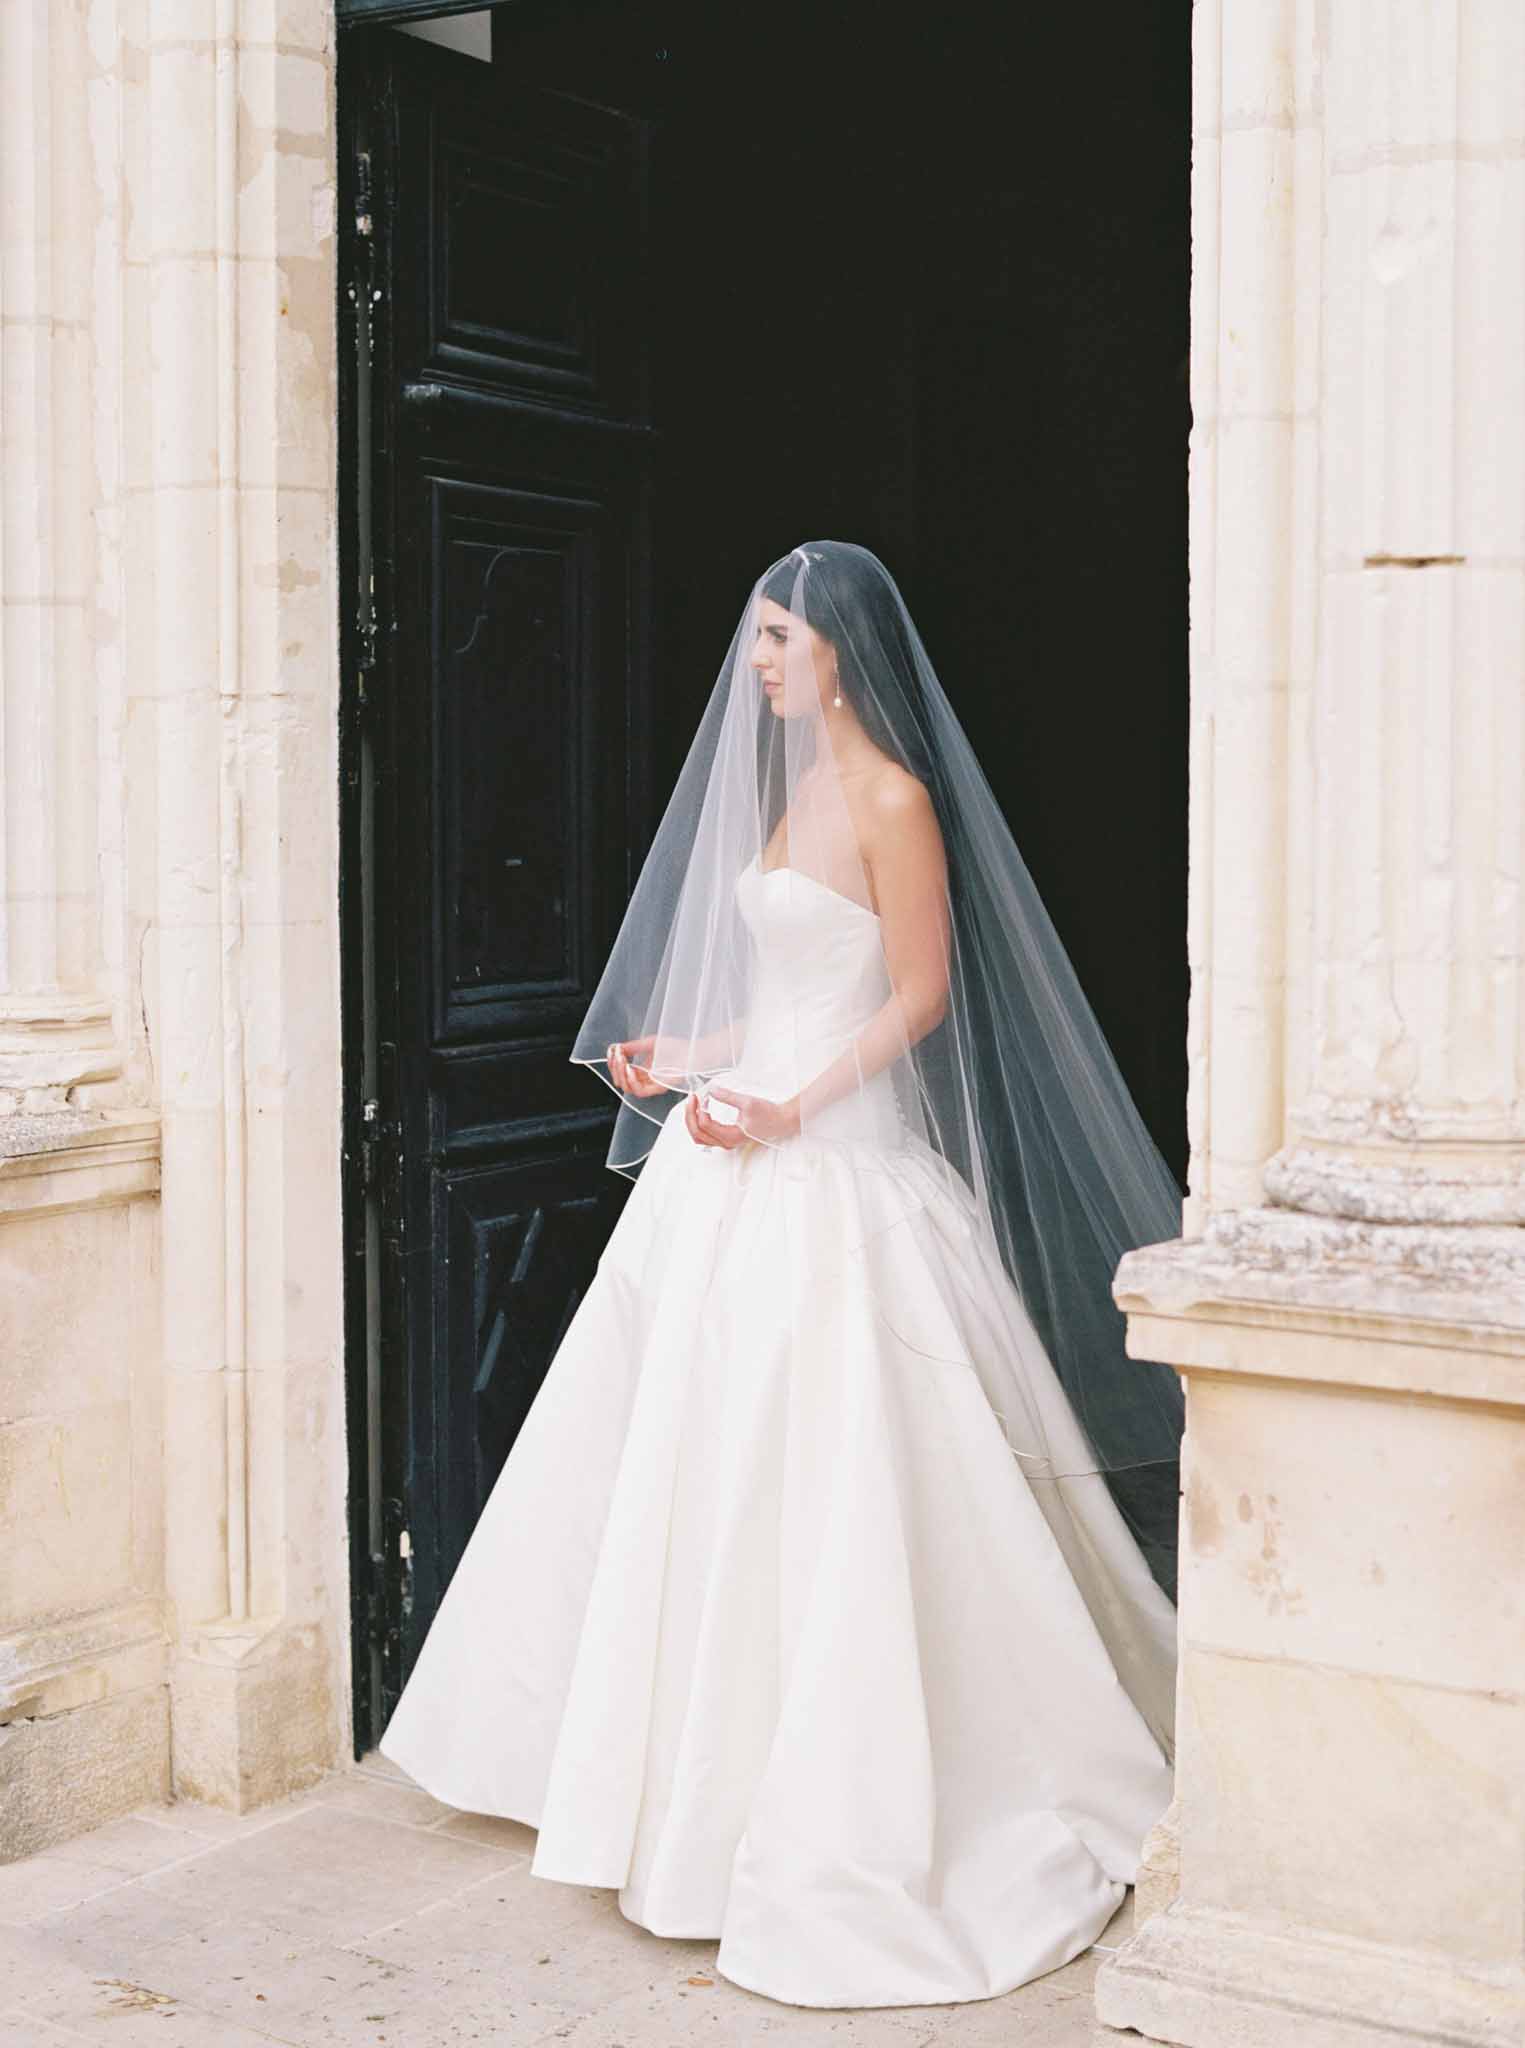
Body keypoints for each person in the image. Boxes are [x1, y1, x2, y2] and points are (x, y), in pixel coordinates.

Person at [379, 541, 1185, 2009]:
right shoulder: (788, 794)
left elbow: (921, 994)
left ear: (837, 650)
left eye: (769, 640)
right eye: (753, 641)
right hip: (729, 1152)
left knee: (844, 1473)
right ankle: (667, 1782)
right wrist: (688, 1061)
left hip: (835, 1164)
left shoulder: (890, 799)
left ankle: (854, 1793)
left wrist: (792, 1109)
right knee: (692, 1463)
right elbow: (781, 993)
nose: (750, 666)